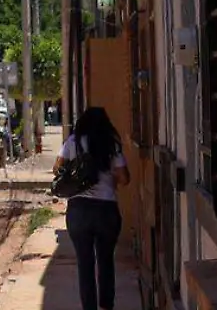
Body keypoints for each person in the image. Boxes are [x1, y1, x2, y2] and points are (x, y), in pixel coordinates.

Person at [55, 107, 131, 310]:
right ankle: (106, 305)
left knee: (85, 263)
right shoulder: (111, 145)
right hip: (106, 209)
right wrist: (110, 175)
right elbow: (124, 179)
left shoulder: (73, 142)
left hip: (79, 210)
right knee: (106, 260)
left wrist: (77, 172)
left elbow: (57, 168)